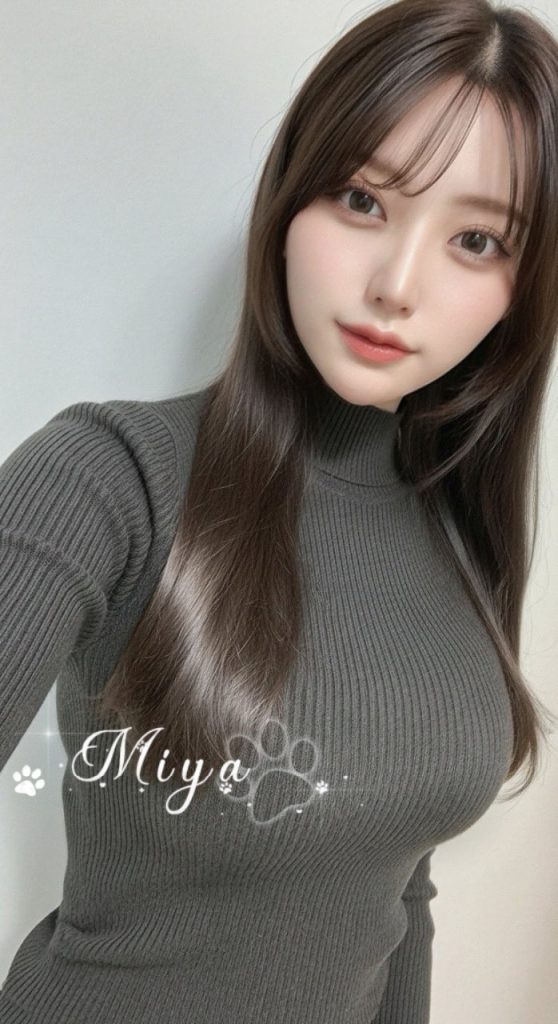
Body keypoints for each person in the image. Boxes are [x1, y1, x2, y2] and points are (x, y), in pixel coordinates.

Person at [1, 0, 557, 1021]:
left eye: (476, 240)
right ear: (291, 201)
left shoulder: (456, 537)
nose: (398, 284)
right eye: (362, 199)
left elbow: (398, 893)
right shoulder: (108, 481)